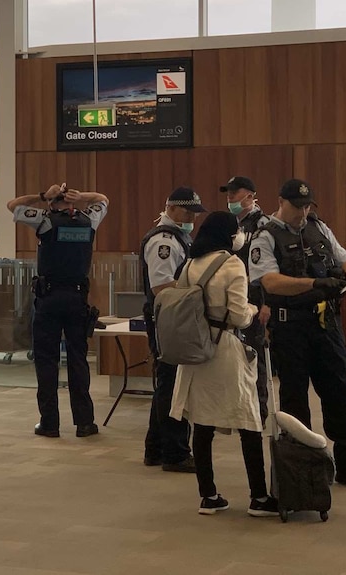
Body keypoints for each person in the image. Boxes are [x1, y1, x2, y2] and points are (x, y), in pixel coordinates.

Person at [248, 179, 346, 490]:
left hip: (326, 325)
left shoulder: (318, 228)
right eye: (298, 206)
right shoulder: (265, 237)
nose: (303, 211)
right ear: (281, 201)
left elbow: (343, 258)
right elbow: (269, 281)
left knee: (340, 391)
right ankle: (304, 469)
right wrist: (313, 284)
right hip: (290, 327)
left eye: (307, 205)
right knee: (295, 399)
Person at [169, 211, 280, 516]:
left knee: (202, 423)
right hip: (226, 350)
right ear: (227, 235)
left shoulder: (190, 264)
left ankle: (208, 495)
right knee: (248, 421)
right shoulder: (232, 264)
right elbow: (239, 315)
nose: (239, 236)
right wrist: (255, 309)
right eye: (236, 232)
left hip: (195, 351)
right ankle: (258, 497)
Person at [7, 182, 109, 438]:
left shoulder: (44, 220)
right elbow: (103, 198)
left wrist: (43, 195)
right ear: (73, 203)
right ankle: (85, 423)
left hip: (49, 298)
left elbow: (13, 205)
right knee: (78, 360)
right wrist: (82, 196)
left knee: (46, 361)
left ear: (53, 203)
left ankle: (49, 423)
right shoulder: (89, 220)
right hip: (77, 299)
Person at [140, 186, 205, 473]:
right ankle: (175, 454)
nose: (192, 217)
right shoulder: (163, 242)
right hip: (168, 317)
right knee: (173, 386)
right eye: (188, 211)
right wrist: (198, 291)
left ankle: (156, 449)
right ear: (172, 208)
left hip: (173, 316)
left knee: (168, 384)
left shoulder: (179, 237)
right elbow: (161, 286)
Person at [220, 176, 270, 424]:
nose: (230, 198)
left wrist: (266, 302)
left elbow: (269, 269)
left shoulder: (263, 224)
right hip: (231, 298)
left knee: (254, 355)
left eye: (234, 193)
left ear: (250, 195)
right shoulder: (229, 223)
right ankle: (235, 408)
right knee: (231, 355)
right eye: (228, 193)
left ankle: (258, 409)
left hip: (255, 297)